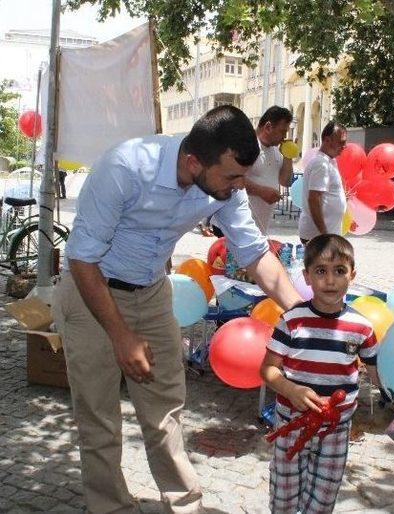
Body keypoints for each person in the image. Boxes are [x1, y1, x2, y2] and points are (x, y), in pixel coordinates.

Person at [51, 105, 302, 514]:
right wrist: (120, 335)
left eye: (243, 176)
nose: (241, 186)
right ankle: (110, 506)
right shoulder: (125, 168)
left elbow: (256, 254)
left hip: (150, 293)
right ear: (192, 162)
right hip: (89, 290)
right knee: (98, 416)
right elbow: (81, 259)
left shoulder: (225, 187)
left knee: (165, 408)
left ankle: (184, 505)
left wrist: (302, 314)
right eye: (232, 176)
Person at [261, 234, 379, 513]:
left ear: (352, 275)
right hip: (291, 420)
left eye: (339, 271)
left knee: (323, 500)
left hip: (335, 429)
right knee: (284, 497)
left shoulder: (362, 327)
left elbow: (377, 373)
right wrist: (291, 390)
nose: (330, 280)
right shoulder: (292, 321)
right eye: (321, 271)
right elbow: (267, 369)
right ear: (307, 276)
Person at [245, 106, 294, 235]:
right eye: (282, 131)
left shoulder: (276, 151)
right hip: (234, 226)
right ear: (268, 127)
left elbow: (285, 181)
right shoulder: (247, 145)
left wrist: (288, 156)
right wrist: (261, 192)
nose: (284, 137)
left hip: (258, 228)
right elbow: (232, 179)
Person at [298, 121, 348, 243]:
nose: (344, 146)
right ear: (327, 140)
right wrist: (324, 234)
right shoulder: (321, 164)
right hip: (318, 235)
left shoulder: (330, 161)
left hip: (325, 234)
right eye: (341, 142)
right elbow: (314, 200)